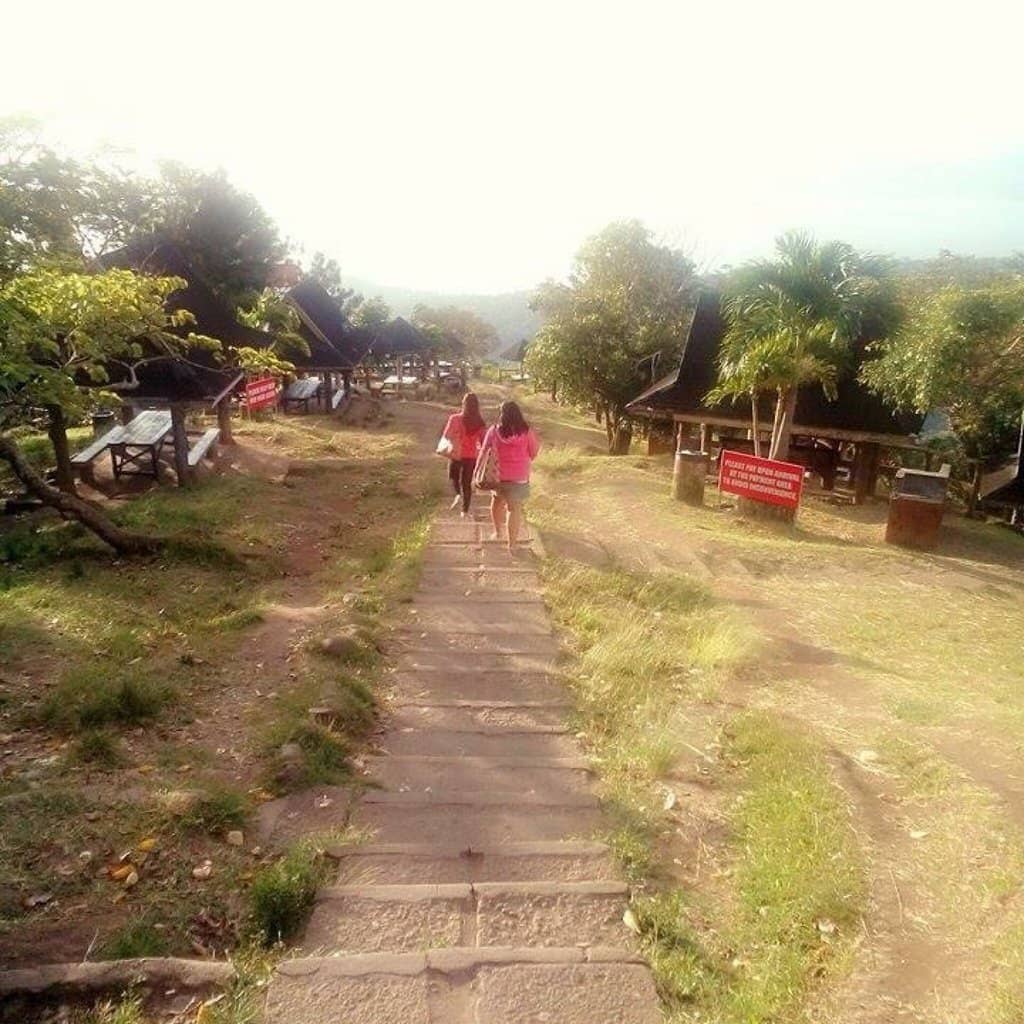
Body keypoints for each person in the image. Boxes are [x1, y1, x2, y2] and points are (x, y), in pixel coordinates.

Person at [484, 400, 540, 551]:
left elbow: (484, 450)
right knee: (514, 509)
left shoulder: (494, 431)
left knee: (496, 502)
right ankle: (512, 544)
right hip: (519, 477)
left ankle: (497, 532)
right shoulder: (526, 432)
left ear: (502, 414)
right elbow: (533, 452)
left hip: (498, 476)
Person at [442, 392, 487, 517]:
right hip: (472, 456)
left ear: (464, 404)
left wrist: (456, 437)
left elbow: (446, 436)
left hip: (456, 453)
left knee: (453, 477)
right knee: (466, 483)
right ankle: (464, 510)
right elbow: (484, 441)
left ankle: (458, 495)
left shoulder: (455, 418)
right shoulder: (480, 422)